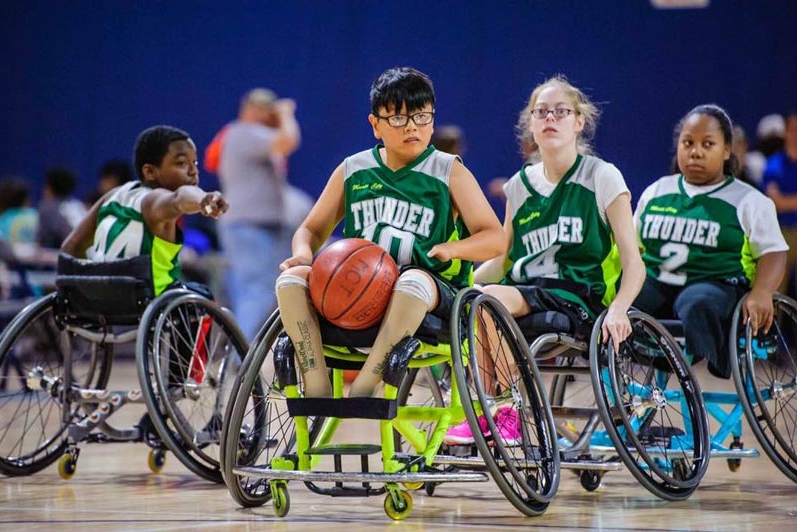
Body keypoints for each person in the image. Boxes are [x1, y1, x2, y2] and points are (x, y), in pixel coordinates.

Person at [276, 67, 505, 398]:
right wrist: (303, 253)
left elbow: (495, 238)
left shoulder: (448, 170)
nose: (412, 126)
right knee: (291, 280)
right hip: (359, 287)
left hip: (434, 290)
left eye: (422, 117)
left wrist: (453, 250)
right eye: (398, 118)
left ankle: (367, 385)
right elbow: (311, 228)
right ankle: (315, 384)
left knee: (411, 279)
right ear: (375, 125)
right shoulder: (353, 169)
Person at [445, 75, 645, 444]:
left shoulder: (602, 176)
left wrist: (619, 308)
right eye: (541, 112)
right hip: (526, 291)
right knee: (471, 299)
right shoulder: (519, 185)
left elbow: (634, 262)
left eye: (560, 111)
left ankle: (507, 411)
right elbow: (503, 259)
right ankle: (494, 411)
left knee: (488, 299)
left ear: (579, 122)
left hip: (578, 297)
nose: (550, 118)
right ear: (531, 124)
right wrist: (460, 285)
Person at [633, 105, 787, 379]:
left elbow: (774, 252)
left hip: (718, 287)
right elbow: (634, 249)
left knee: (696, 301)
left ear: (727, 151)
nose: (695, 151)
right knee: (624, 298)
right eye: (688, 143)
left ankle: (709, 359)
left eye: (708, 144)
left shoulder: (748, 200)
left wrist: (762, 291)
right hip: (660, 283)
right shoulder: (656, 192)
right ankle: (638, 354)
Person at [62, 125, 228, 296]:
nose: (193, 171)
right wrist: (202, 200)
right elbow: (180, 197)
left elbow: (72, 246)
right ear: (150, 172)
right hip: (152, 304)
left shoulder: (112, 196)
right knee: (209, 301)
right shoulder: (155, 201)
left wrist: (77, 290)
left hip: (101, 303)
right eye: (181, 163)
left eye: (195, 162)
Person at [207, 87, 301, 341]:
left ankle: (238, 359)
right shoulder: (243, 132)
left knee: (252, 292)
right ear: (247, 110)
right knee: (258, 291)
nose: (264, 114)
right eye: (259, 109)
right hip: (249, 228)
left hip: (257, 228)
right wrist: (285, 114)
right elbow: (289, 139)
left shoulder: (254, 138)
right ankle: (241, 360)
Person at [762, 110, 797, 298]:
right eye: (793, 129)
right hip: (781, 233)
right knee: (776, 289)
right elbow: (775, 202)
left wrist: (787, 200)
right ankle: (773, 327)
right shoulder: (774, 164)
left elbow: (783, 201)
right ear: (786, 132)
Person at [37, 166, 87, 249]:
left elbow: (40, 240)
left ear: (50, 188)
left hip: (64, 254)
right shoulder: (78, 205)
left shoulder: (47, 208)